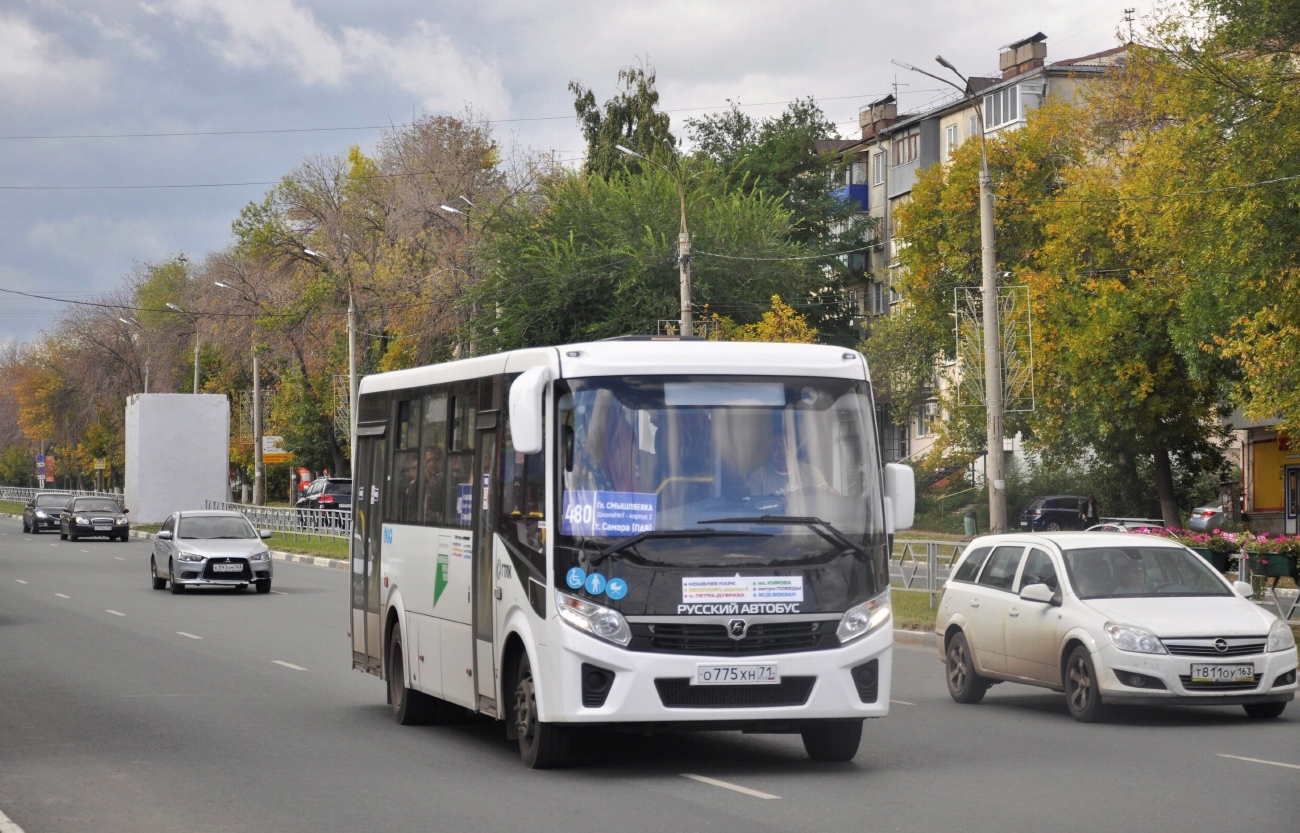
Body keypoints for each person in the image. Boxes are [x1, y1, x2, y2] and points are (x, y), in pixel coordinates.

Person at [747, 430, 829, 497]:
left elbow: (825, 498)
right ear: (768, 451)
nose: (782, 451)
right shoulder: (758, 477)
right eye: (775, 447)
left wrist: (830, 491)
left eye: (787, 446)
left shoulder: (811, 472)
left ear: (796, 449)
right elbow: (752, 509)